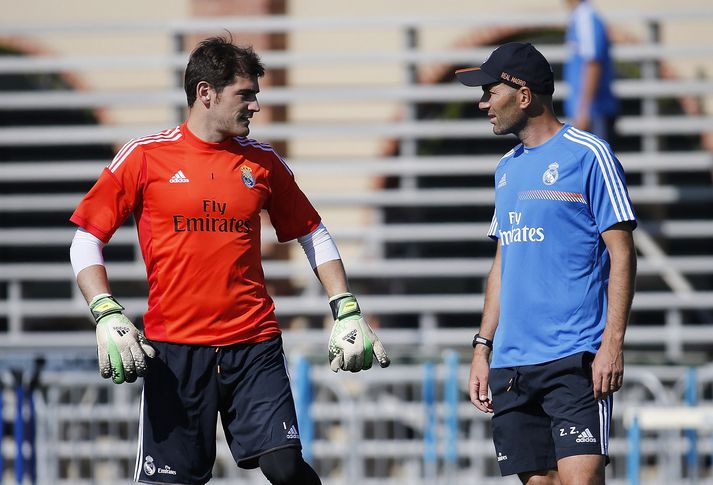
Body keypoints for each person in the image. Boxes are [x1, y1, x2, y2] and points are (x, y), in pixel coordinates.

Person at [69, 35, 389, 485]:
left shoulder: (262, 162)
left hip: (253, 344)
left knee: (285, 467)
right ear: (206, 93)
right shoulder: (145, 156)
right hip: (175, 351)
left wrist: (346, 306)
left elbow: (313, 232)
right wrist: (104, 311)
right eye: (246, 94)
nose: (255, 106)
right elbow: (86, 239)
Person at [456, 42, 636, 484]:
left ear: (523, 95)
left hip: (574, 359)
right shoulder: (506, 169)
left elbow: (623, 253)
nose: (482, 104)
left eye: (489, 92)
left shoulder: (589, 155)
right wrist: (482, 347)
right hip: (512, 367)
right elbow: (503, 261)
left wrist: (612, 344)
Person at [564, 0, 620, 140]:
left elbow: (593, 63)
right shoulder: (579, 17)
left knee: (596, 160)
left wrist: (584, 111)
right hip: (589, 112)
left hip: (594, 112)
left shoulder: (586, 18)